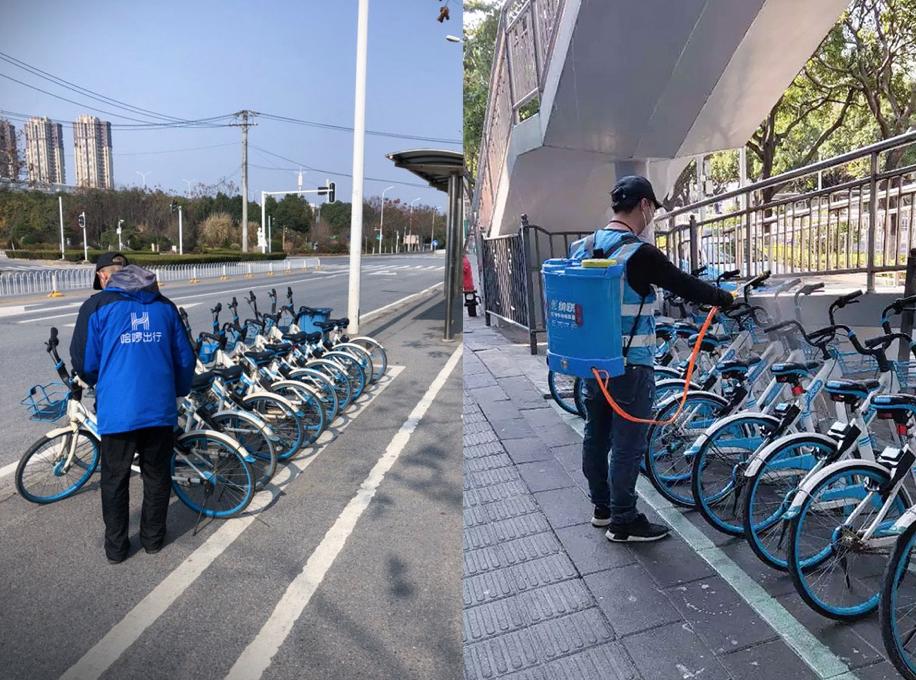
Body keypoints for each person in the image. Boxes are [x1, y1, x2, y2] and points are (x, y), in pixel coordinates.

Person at [572, 176, 734, 543]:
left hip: (592, 363)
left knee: (596, 435)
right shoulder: (640, 253)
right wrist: (724, 298)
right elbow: (684, 284)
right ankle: (624, 520)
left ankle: (602, 508)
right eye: (653, 209)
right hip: (630, 365)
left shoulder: (584, 247)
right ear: (644, 205)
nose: (652, 217)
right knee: (628, 445)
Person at [70, 253, 196, 563]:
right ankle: (153, 540)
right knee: (157, 475)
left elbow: (85, 363)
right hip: (159, 409)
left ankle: (116, 549)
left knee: (115, 479)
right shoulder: (164, 305)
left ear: (103, 276)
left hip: (118, 411)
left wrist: (101, 381)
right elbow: (185, 358)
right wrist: (178, 393)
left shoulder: (97, 306)